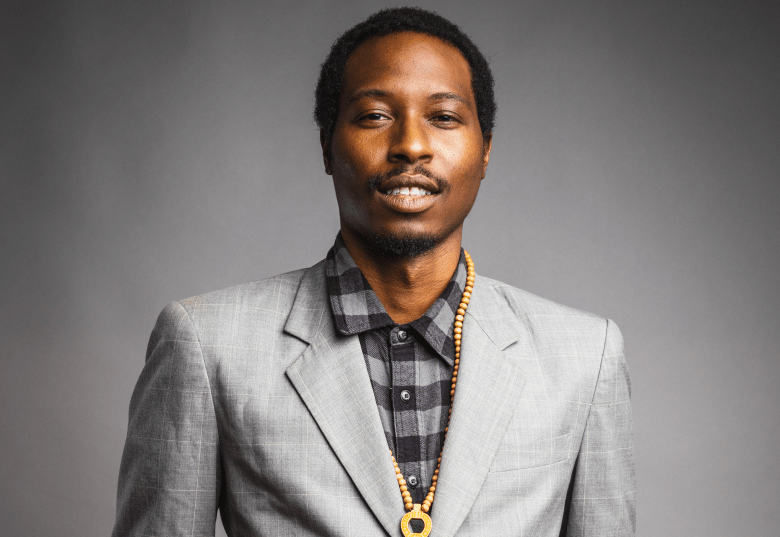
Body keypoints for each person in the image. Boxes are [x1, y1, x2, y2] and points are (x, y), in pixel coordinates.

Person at [112, 7, 635, 537]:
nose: (411, 145)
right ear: (326, 146)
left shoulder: (585, 357)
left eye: (444, 117)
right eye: (374, 116)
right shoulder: (207, 345)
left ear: (485, 151)